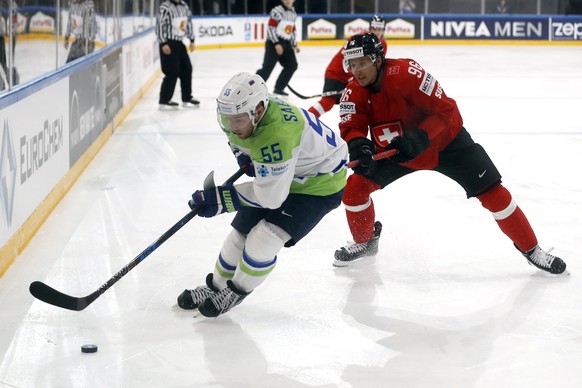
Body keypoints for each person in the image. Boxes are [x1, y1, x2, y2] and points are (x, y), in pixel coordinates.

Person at [333, 33, 567, 276]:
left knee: (494, 194)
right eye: (352, 64)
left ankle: (532, 250)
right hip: (397, 151)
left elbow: (446, 111)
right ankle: (365, 241)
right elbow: (352, 126)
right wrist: (358, 145)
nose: (356, 70)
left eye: (362, 63)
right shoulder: (353, 92)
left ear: (378, 60)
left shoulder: (408, 73)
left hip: (445, 144)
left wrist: (421, 136)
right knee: (354, 191)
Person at [176, 72, 348, 317]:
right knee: (240, 235)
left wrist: (220, 200)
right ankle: (215, 287)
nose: (233, 127)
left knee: (265, 238)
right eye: (228, 119)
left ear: (258, 110)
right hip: (286, 169)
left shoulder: (276, 135)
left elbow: (270, 198)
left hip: (317, 184)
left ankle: (236, 291)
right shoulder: (240, 115)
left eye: (238, 120)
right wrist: (244, 157)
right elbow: (239, 141)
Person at [308, 15, 387, 118]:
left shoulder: (382, 44)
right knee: (327, 102)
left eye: (380, 29)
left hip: (353, 76)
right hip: (336, 74)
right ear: (370, 28)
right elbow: (344, 59)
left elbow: (377, 66)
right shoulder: (358, 40)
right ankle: (306, 120)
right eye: (374, 28)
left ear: (384, 29)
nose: (377, 31)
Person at [155, 0, 200, 109]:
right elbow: (160, 25)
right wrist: (163, 43)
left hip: (179, 43)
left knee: (187, 69)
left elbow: (188, 23)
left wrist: (192, 39)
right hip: (168, 43)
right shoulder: (165, 7)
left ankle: (186, 98)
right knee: (172, 72)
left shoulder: (184, 6)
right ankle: (164, 101)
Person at [256, 0, 300, 97]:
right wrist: (276, 43)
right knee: (267, 68)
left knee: (292, 65)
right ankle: (254, 88)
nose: (288, 1)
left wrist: (294, 44)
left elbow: (292, 30)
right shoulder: (277, 11)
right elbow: (270, 28)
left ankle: (279, 88)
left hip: (286, 43)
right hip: (273, 42)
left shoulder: (293, 13)